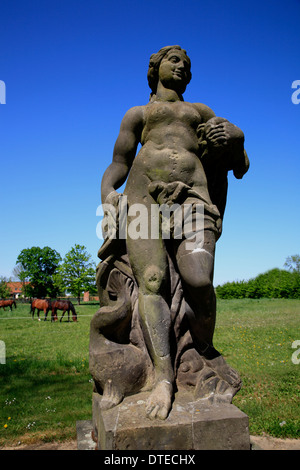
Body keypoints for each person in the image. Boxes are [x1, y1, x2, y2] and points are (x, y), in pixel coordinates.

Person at [100, 45, 249, 420]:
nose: (181, 65)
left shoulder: (201, 113)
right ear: (155, 69)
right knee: (151, 280)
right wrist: (108, 194)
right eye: (173, 59)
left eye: (186, 62)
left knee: (199, 279)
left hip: (193, 199)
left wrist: (238, 138)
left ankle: (203, 350)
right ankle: (164, 377)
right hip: (143, 199)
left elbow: (239, 165)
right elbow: (118, 163)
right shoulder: (139, 114)